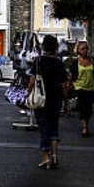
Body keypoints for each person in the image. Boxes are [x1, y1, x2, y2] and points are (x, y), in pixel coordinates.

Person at [29, 34, 69, 169]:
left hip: (41, 99)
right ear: (56, 47)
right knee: (54, 127)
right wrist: (66, 102)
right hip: (55, 99)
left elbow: (32, 80)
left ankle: (46, 157)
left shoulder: (38, 61)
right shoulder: (59, 63)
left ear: (43, 46)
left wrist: (28, 94)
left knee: (44, 128)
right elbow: (64, 85)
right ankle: (55, 156)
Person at [69, 40, 94, 137]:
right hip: (80, 87)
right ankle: (84, 126)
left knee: (88, 108)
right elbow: (71, 75)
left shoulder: (92, 61)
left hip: (92, 88)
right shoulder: (76, 63)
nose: (85, 50)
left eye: (86, 48)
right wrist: (72, 84)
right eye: (82, 49)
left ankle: (86, 124)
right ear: (78, 50)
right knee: (82, 106)